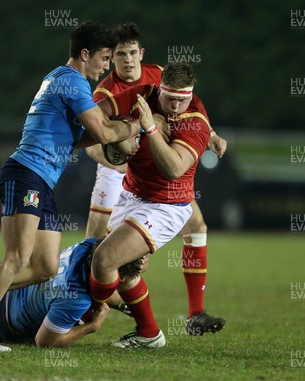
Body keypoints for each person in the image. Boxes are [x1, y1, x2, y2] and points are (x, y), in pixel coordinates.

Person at [0, 21, 144, 352]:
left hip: (40, 181)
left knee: (44, 267)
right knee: (16, 258)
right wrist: (133, 126)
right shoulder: (72, 82)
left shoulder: (61, 78)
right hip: (27, 174)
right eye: (104, 58)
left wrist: (117, 131)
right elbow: (102, 134)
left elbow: (85, 136)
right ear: (85, 54)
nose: (106, 66)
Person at [85, 24, 227, 333]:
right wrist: (117, 157)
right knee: (94, 253)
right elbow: (93, 142)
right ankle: (111, 304)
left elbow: (192, 108)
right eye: (119, 55)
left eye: (132, 53)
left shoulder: (161, 76)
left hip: (165, 185)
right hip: (118, 175)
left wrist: (211, 134)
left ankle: (194, 314)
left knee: (196, 226)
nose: (128, 60)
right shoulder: (107, 92)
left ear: (142, 54)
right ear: (110, 59)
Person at [0, 238, 143, 349]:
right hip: (11, 320)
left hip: (4, 293)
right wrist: (92, 326)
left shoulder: (88, 246)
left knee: (80, 296)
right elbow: (45, 341)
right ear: (121, 280)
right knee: (87, 313)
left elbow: (98, 285)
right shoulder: (78, 299)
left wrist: (128, 305)